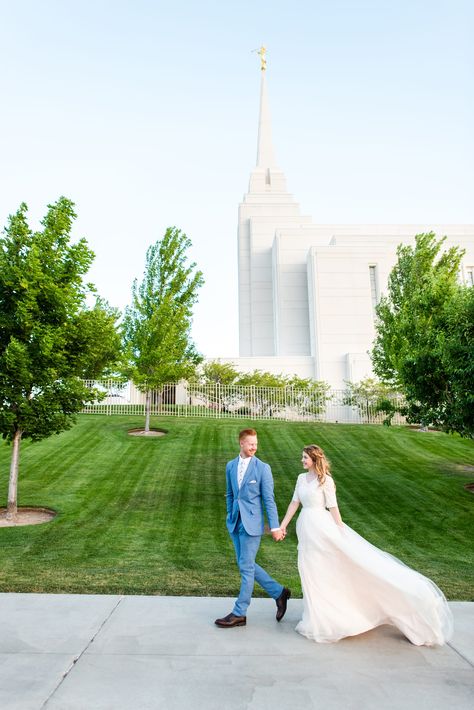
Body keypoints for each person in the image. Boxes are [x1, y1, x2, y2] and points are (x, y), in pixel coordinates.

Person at [279, 444, 454, 646]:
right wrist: (283, 526)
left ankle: (328, 618)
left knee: (324, 572)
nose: (302, 460)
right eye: (302, 457)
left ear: (314, 460)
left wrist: (340, 530)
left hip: (322, 530)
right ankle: (315, 616)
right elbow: (294, 503)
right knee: (310, 571)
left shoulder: (325, 481)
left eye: (305, 457)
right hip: (306, 529)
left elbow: (333, 507)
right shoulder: (301, 479)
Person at [215, 428, 291, 628]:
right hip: (235, 523)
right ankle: (279, 592)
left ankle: (239, 612)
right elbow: (231, 494)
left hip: (252, 525)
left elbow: (269, 499)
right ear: (241, 443)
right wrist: (229, 515)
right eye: (250, 444)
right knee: (245, 564)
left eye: (256, 444)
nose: (254, 447)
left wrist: (275, 527)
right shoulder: (230, 466)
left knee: (246, 567)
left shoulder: (262, 468)